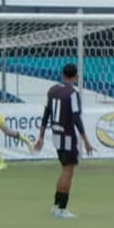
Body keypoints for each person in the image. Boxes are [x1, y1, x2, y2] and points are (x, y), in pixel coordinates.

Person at [35, 63, 95, 219]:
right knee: (68, 172)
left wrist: (41, 137)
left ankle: (56, 206)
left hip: (56, 135)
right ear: (76, 76)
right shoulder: (72, 94)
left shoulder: (52, 90)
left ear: (62, 74)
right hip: (67, 136)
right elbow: (76, 118)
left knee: (64, 170)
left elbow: (46, 113)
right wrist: (86, 141)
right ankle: (62, 208)